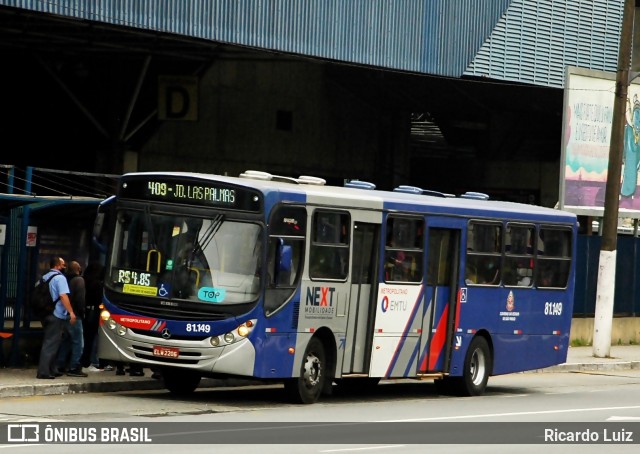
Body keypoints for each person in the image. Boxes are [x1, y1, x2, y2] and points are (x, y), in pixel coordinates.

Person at [36, 257, 77, 379]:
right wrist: (71, 312)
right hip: (56, 314)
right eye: (63, 265)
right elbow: (63, 296)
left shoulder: (44, 277)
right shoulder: (60, 278)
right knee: (51, 343)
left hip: (45, 314)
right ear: (58, 265)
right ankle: (44, 372)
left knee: (53, 342)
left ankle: (52, 369)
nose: (65, 267)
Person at [56, 260, 88, 377]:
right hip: (74, 315)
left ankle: (60, 364)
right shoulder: (79, 280)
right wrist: (81, 313)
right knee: (78, 342)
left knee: (66, 341)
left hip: (64, 314)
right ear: (78, 269)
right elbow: (80, 300)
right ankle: (74, 366)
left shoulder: (65, 280)